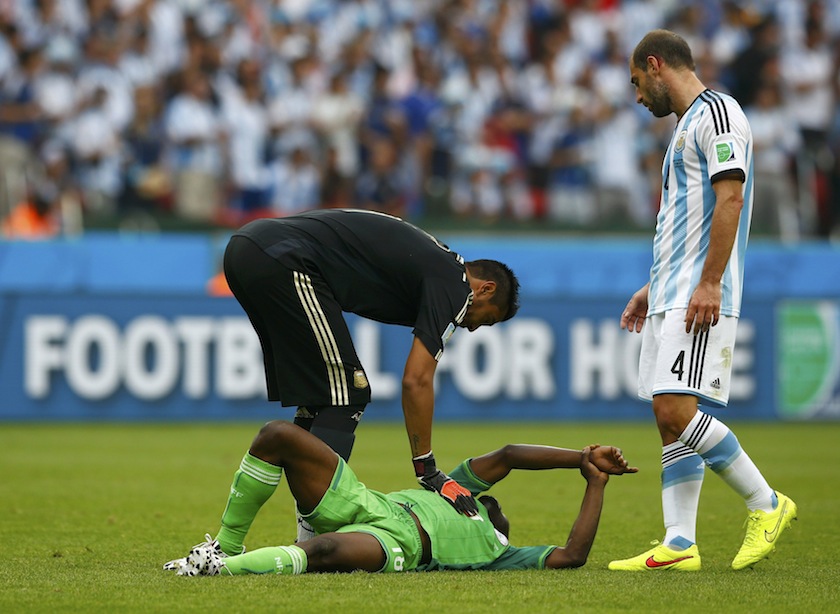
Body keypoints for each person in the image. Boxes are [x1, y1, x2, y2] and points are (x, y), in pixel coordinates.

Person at [608, 30, 797, 573]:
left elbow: (730, 197)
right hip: (674, 290)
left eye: (637, 83)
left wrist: (709, 281)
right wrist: (654, 284)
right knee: (667, 419)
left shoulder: (719, 114)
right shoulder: (686, 128)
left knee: (676, 409)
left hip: (700, 294)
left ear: (655, 65)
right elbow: (684, 222)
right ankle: (679, 542)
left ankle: (766, 503)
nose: (638, 96)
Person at [222, 208, 521, 541]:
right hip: (284, 257)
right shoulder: (455, 284)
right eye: (487, 319)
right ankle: (314, 540)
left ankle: (242, 542)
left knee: (322, 400)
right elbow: (416, 380)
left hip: (248, 249)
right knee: (349, 393)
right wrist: (427, 468)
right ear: (486, 289)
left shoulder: (436, 265)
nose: (475, 328)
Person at [163, 420, 638, 575]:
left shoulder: (503, 553)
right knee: (277, 436)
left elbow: (573, 555)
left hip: (400, 544)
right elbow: (510, 454)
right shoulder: (460, 491)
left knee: (325, 551)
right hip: (370, 504)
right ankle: (226, 545)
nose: (501, 509)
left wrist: (595, 483)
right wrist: (580, 456)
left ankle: (217, 570)